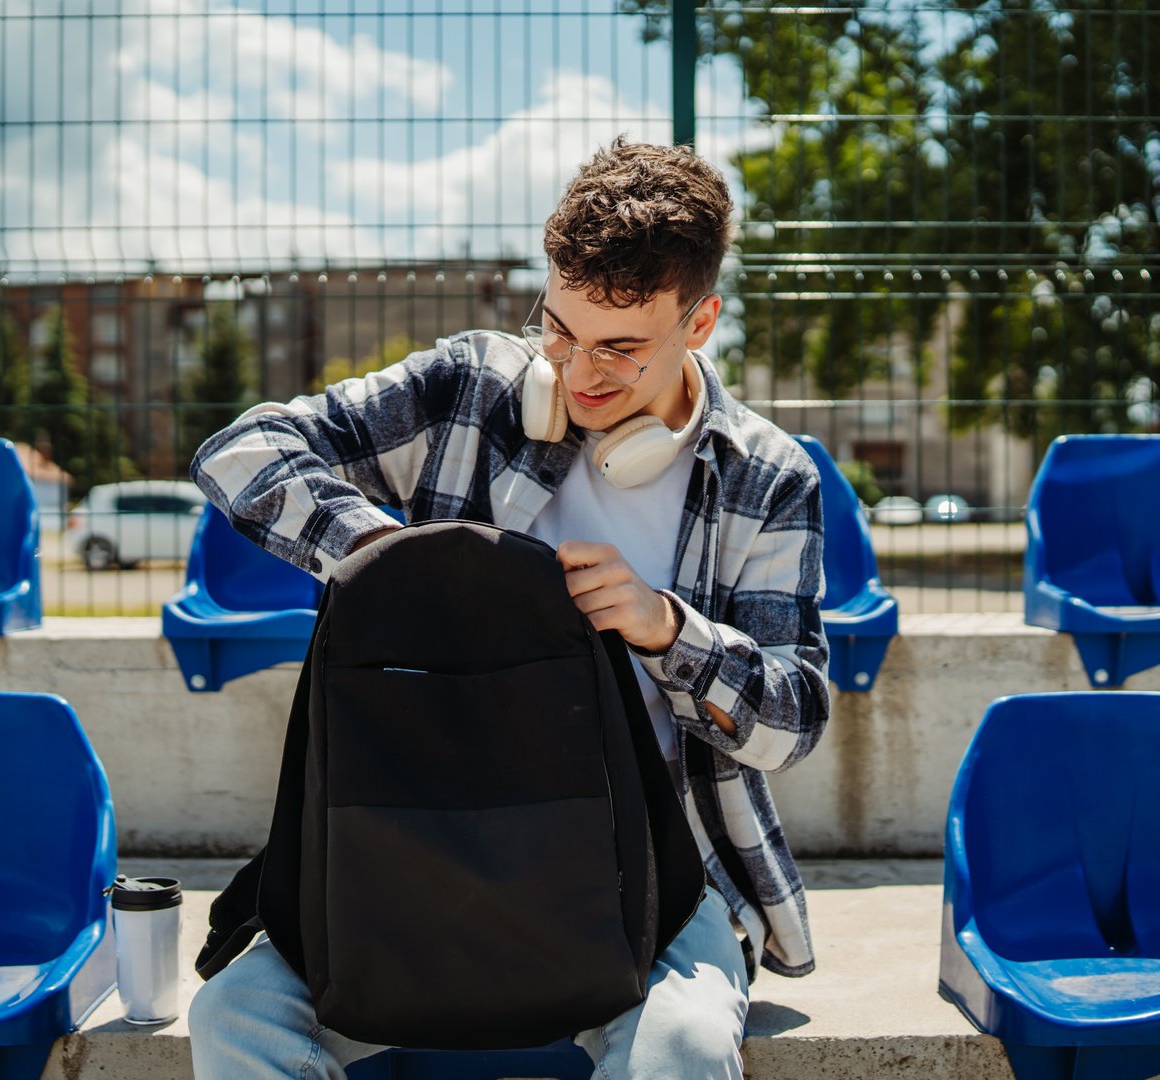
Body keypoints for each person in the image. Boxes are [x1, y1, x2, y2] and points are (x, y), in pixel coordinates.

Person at [188, 136, 830, 1080]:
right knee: (233, 1022)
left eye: (620, 348)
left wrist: (666, 630)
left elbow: (792, 722)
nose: (577, 373)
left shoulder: (767, 477)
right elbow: (238, 453)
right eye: (560, 331)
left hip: (651, 868)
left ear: (701, 323)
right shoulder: (470, 390)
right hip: (423, 838)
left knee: (681, 1052)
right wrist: (390, 557)